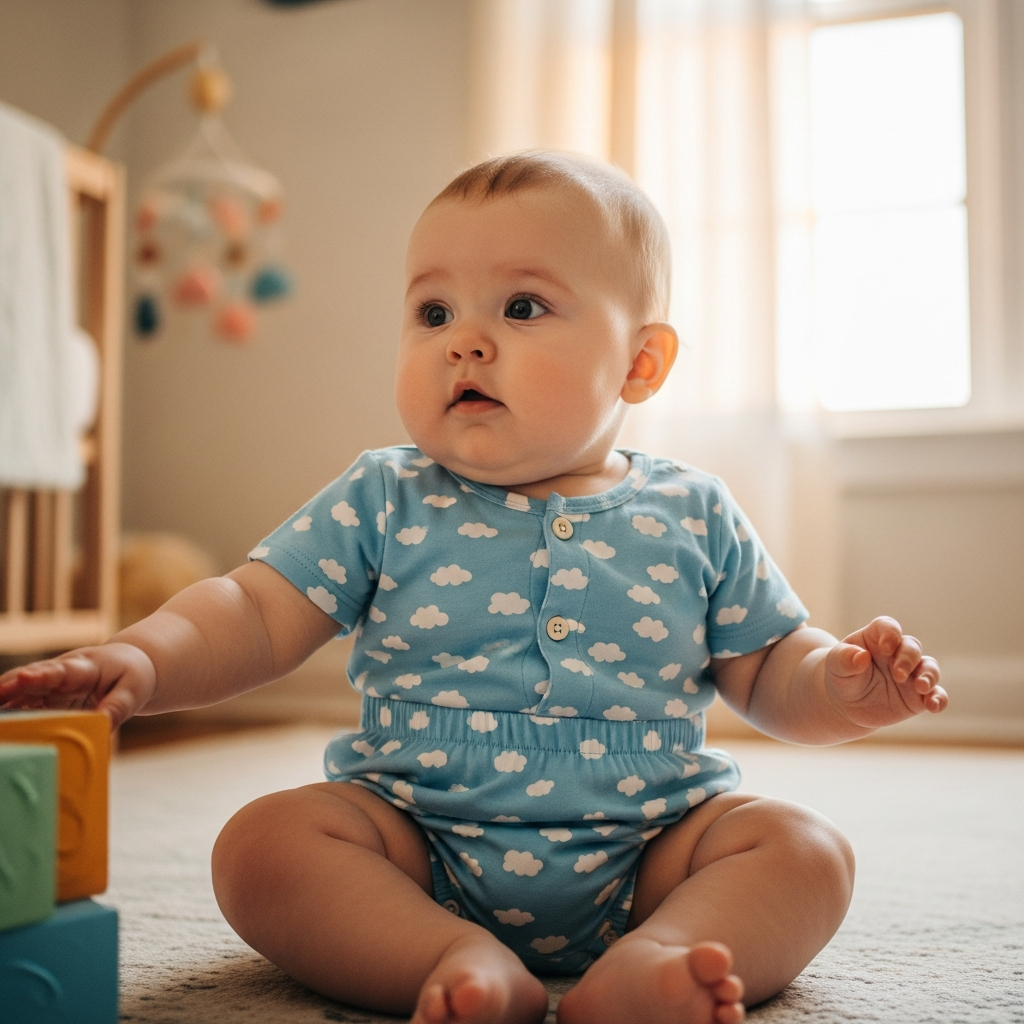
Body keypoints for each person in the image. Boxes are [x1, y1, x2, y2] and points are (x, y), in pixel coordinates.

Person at [0, 151, 946, 1024]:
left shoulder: (693, 510)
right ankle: (451, 960)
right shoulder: (385, 494)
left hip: (652, 854)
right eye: (434, 313)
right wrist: (143, 657)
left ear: (640, 363)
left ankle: (654, 963)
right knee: (261, 845)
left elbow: (769, 665)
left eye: (522, 308)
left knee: (806, 850)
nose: (465, 343)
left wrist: (840, 687)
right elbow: (252, 609)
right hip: (416, 845)